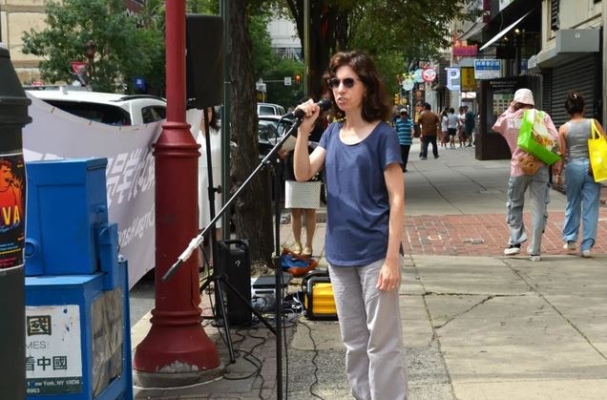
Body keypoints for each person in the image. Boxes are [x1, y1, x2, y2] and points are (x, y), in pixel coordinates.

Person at [292, 50, 407, 400]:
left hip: (375, 253)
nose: (339, 90)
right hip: (341, 255)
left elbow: (397, 199)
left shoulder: (382, 135)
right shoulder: (331, 135)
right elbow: (302, 174)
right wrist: (303, 132)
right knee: (354, 343)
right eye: (334, 83)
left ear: (366, 87)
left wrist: (391, 260)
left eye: (348, 82)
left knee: (382, 345)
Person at [492, 88, 562, 262]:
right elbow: (555, 140)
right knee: (539, 206)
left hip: (519, 167)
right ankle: (535, 250)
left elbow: (497, 126)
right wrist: (556, 165)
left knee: (515, 203)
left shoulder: (510, 118)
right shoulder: (542, 116)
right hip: (540, 167)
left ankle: (516, 241)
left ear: (516, 101)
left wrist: (510, 109)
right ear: (532, 101)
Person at [558, 92, 605, 258]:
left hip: (573, 167)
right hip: (593, 168)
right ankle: (586, 246)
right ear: (584, 108)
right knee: (591, 206)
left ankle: (570, 239)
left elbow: (562, 153)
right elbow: (604, 143)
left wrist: (558, 174)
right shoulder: (594, 123)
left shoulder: (563, 128)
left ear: (567, 110)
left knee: (573, 203)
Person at [196, 107, 223, 265]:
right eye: (203, 111)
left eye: (210, 111)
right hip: (198, 179)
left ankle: (215, 259)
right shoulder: (193, 133)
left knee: (216, 221)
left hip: (216, 178)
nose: (206, 114)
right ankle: (199, 260)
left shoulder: (219, 133)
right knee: (199, 222)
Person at [395, 108, 413, 172]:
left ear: (406, 114)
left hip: (407, 141)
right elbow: (396, 130)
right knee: (401, 154)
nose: (403, 115)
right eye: (402, 114)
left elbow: (412, 129)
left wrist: (412, 134)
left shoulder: (410, 121)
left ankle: (404, 167)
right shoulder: (398, 121)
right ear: (400, 114)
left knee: (405, 155)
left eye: (404, 114)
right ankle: (401, 167)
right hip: (400, 141)